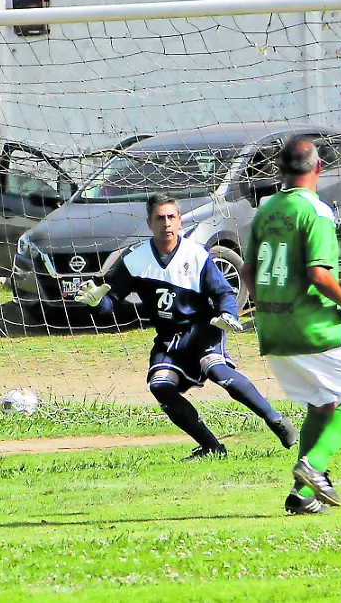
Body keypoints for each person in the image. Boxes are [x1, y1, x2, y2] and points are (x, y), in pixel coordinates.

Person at [75, 193, 297, 459]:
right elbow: (109, 302)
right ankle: (211, 447)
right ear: (149, 223)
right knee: (160, 386)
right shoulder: (135, 260)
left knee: (216, 369)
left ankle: (275, 420)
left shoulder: (196, 255)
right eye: (160, 218)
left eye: (171, 217)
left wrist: (228, 314)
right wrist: (95, 303)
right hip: (170, 338)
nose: (166, 223)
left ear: (180, 220)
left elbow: (223, 293)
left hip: (204, 329)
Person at [242, 135, 341, 516]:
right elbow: (318, 274)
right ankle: (314, 465)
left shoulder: (266, 210)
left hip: (271, 328)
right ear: (319, 167)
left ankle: (302, 495)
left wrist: (266, 305)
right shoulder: (316, 211)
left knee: (321, 404)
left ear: (280, 170)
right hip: (310, 326)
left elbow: (248, 271)